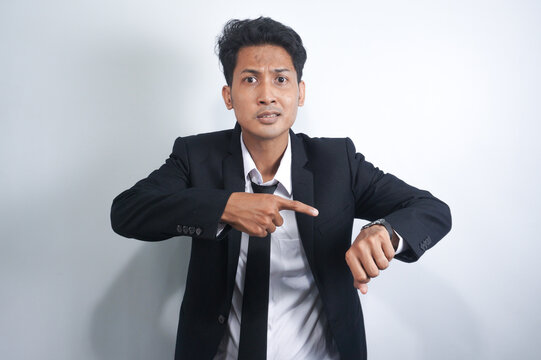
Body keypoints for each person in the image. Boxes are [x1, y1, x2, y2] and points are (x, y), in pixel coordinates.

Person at [111, 17, 451, 360]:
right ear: (229, 96)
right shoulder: (195, 156)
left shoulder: (337, 162)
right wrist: (225, 206)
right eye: (250, 79)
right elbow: (127, 211)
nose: (267, 95)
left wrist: (385, 231)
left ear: (300, 93)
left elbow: (431, 209)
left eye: (281, 79)